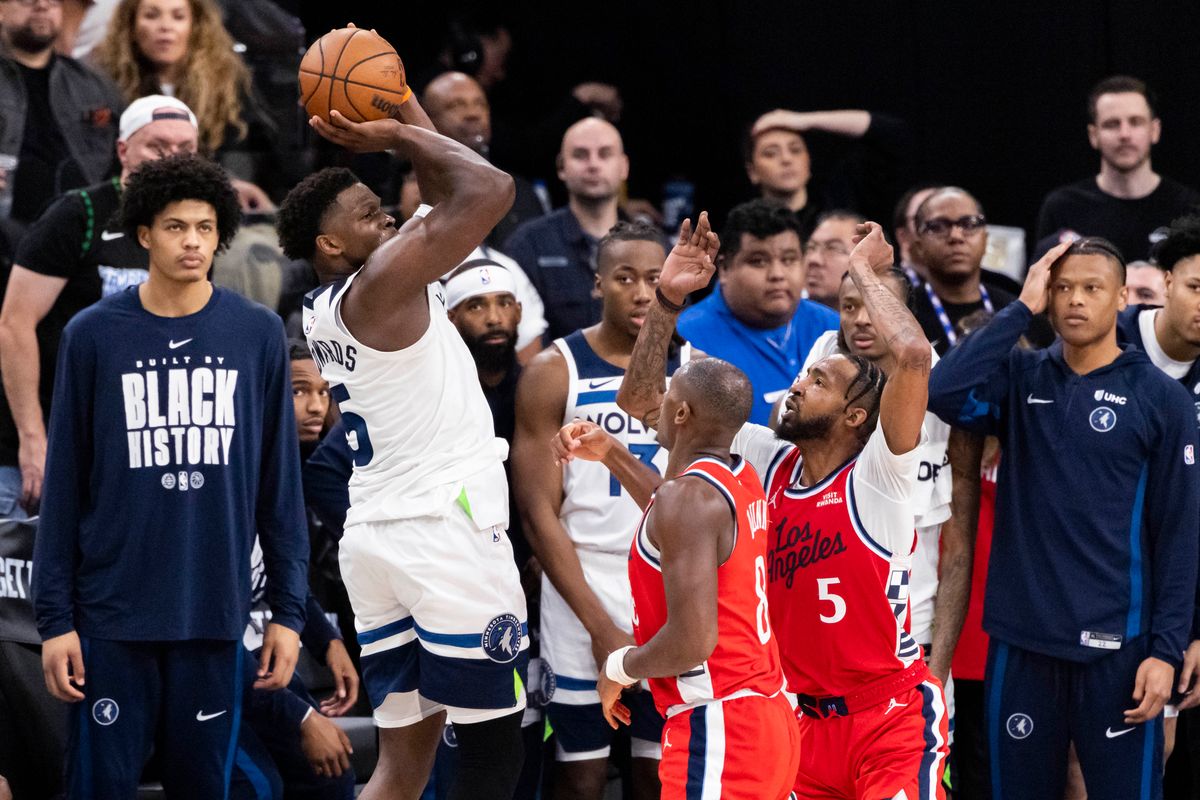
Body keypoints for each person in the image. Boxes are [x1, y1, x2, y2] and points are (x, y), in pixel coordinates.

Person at [619, 220, 949, 798]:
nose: (796, 386)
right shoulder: (763, 459)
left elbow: (915, 356)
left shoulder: (881, 473)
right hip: (795, 717)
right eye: (802, 374)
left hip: (888, 715)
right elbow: (647, 401)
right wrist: (668, 301)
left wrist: (862, 271)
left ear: (853, 417)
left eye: (817, 381)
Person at [32, 152, 308, 796]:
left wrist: (288, 616)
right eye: (177, 226)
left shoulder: (258, 334)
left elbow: (280, 492)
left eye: (206, 228)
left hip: (212, 616)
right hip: (109, 617)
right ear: (144, 235)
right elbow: (66, 485)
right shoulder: (93, 334)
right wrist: (55, 621)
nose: (192, 242)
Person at [299, 91, 529, 799]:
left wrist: (404, 102)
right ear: (331, 245)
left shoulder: (338, 297)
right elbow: (490, 187)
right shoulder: (384, 283)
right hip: (444, 529)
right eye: (367, 214)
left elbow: (446, 187)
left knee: (402, 767)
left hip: (379, 536)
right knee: (494, 743)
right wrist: (397, 132)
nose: (388, 216)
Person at [927, 237, 1200, 800]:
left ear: (1122, 297)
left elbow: (1180, 535)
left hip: (1119, 651)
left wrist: (1166, 650)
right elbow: (944, 389)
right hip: (1022, 646)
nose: (1074, 300)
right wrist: (1018, 310)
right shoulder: (1021, 378)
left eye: (1092, 288)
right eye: (1062, 288)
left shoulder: (1160, 399)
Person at [552, 354, 801, 800]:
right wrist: (611, 453)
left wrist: (618, 667)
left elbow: (692, 641)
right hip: (767, 715)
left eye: (668, 394)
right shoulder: (738, 476)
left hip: (722, 724)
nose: (661, 401)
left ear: (682, 413)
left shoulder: (688, 500)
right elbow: (670, 512)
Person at [512, 220, 692, 798]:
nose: (642, 292)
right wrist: (597, 624)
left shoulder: (695, 371)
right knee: (580, 774)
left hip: (669, 586)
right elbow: (539, 514)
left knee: (657, 771)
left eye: (654, 278)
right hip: (581, 585)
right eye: (624, 278)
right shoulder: (553, 370)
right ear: (597, 284)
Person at [0, 94, 197, 519]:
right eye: (157, 146)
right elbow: (14, 324)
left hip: (129, 443)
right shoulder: (80, 213)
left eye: (185, 150)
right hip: (47, 435)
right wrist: (32, 436)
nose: (170, 159)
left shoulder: (194, 230)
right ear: (123, 150)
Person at [799, 267, 978, 688]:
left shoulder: (946, 395)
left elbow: (956, 553)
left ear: (906, 318)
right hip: (816, 641)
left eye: (876, 307)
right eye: (848, 307)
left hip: (910, 643)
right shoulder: (823, 366)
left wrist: (938, 670)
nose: (861, 318)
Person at [91, 0, 278, 204]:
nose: (165, 26)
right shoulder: (102, 83)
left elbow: (244, 148)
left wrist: (229, 183)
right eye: (151, 16)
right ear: (131, 26)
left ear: (195, 26)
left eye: (178, 16)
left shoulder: (227, 82)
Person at [676, 199, 838, 425]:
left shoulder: (833, 326)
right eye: (758, 261)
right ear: (724, 268)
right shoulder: (685, 338)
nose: (777, 274)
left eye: (789, 259)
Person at [1036, 76, 1200, 263]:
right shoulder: (1062, 208)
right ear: (1093, 134)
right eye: (1112, 124)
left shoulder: (1189, 208)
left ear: (1155, 130)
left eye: (1136, 122)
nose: (1124, 134)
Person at [502, 117, 631, 343]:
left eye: (605, 154)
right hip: (556, 375)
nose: (593, 164)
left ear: (624, 167)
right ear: (561, 167)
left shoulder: (653, 245)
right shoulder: (528, 245)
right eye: (580, 155)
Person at [0, 0, 123, 229]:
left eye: (53, 1)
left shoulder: (94, 86)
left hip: (80, 232)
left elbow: (122, 161)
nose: (42, 5)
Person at [910, 186, 1052, 354]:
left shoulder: (1028, 320)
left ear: (985, 239)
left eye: (969, 224)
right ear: (919, 246)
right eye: (938, 226)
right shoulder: (902, 317)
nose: (956, 236)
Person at [422, 71, 547, 249]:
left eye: (479, 104)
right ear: (429, 119)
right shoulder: (421, 190)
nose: (472, 113)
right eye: (456, 106)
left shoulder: (521, 192)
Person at [745, 107, 910, 236]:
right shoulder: (746, 228)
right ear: (752, 172)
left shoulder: (840, 203)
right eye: (771, 153)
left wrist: (803, 120)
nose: (786, 159)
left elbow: (892, 133)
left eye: (795, 150)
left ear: (808, 161)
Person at [803, 209, 863, 308]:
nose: (814, 259)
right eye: (810, 248)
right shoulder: (781, 319)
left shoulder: (886, 320)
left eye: (832, 248)